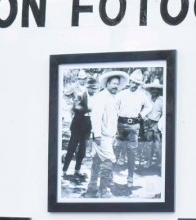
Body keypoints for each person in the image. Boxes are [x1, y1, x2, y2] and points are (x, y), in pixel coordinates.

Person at [86, 70, 127, 198]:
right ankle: (102, 191)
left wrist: (114, 135)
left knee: (98, 158)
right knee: (109, 160)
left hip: (108, 136)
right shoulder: (101, 97)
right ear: (107, 84)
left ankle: (92, 185)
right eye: (114, 83)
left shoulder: (112, 97)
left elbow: (112, 119)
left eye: (118, 84)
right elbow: (96, 117)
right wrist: (97, 135)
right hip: (101, 136)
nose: (116, 86)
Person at [115, 69, 152, 188]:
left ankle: (130, 178)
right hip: (120, 124)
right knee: (116, 149)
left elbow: (149, 106)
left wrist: (141, 115)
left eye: (137, 83)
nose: (135, 85)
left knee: (132, 152)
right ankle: (110, 176)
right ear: (129, 82)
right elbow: (114, 108)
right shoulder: (121, 94)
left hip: (134, 125)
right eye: (133, 82)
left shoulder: (142, 95)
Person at [61, 70, 92, 178]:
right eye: (80, 79)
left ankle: (77, 170)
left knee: (82, 150)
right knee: (72, 147)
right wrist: (71, 105)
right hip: (77, 119)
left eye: (84, 79)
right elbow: (64, 94)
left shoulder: (89, 88)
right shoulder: (74, 87)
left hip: (87, 120)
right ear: (78, 79)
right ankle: (64, 170)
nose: (82, 81)